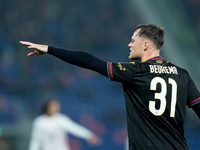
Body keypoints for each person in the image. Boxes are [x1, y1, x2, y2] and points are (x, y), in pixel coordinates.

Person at [20, 24, 200, 150]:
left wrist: (50, 49)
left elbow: (89, 61)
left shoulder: (135, 71)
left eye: (133, 40)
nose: (129, 44)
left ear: (146, 44)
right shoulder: (182, 74)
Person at [29, 100, 102, 150]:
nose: (56, 108)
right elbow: (36, 139)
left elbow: (74, 128)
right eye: (53, 105)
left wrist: (88, 135)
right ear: (47, 107)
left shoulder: (61, 119)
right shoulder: (39, 122)